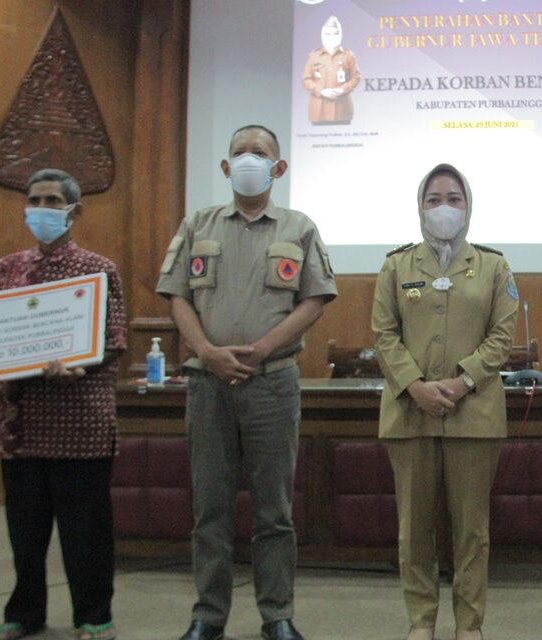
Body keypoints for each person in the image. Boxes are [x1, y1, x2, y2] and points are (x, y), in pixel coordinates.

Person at [156, 125, 338, 640]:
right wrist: (207, 353)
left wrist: (263, 349)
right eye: (239, 152)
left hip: (273, 385)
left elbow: (315, 299)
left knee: (273, 511)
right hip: (208, 386)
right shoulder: (199, 224)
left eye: (259, 152)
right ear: (225, 167)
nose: (249, 159)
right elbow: (177, 297)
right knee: (209, 509)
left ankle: (276, 615)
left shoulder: (299, 227)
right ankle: (208, 616)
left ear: (278, 168)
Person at [0, 168, 126, 640]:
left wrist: (81, 363)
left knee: (85, 535)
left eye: (51, 200)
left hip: (78, 420)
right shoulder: (7, 268)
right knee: (25, 532)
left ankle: (94, 616)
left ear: (74, 211)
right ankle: (25, 612)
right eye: (34, 199)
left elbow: (114, 339)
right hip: (20, 423)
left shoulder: (97, 269)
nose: (40, 208)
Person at [371, 164, 518, 640]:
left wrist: (462, 382)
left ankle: (469, 625)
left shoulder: (494, 266)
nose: (444, 208)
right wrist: (414, 385)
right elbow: (384, 334)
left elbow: (501, 336)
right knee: (414, 530)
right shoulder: (396, 266)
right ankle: (421, 622)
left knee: (471, 532)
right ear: (419, 207)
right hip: (408, 412)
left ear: (468, 206)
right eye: (433, 199)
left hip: (473, 415)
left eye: (454, 198)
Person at [301, 15, 361, 125]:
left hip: (342, 109)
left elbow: (356, 77)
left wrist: (343, 89)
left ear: (340, 35)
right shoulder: (313, 56)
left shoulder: (349, 55)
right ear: (323, 35)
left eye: (335, 33)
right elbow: (306, 80)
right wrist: (321, 91)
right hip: (319, 110)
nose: (332, 36)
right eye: (328, 33)